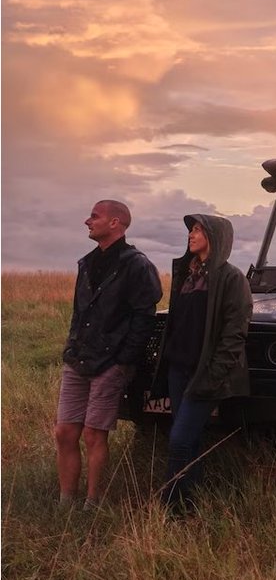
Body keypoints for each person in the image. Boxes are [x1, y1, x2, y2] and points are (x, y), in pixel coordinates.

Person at [55, 200, 162, 510]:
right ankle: (66, 502)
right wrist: (71, 346)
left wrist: (122, 361)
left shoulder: (136, 265)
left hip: (109, 363)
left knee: (93, 434)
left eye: (95, 216)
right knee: (64, 431)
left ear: (116, 223)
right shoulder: (86, 263)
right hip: (78, 358)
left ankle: (92, 502)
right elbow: (79, 313)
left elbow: (145, 316)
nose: (87, 221)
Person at [153, 214, 252, 514]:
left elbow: (235, 333)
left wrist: (214, 374)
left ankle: (168, 509)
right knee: (190, 439)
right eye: (191, 229)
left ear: (215, 235)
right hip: (178, 369)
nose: (191, 234)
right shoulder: (186, 274)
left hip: (205, 373)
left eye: (198, 229)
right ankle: (189, 506)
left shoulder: (232, 278)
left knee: (179, 440)